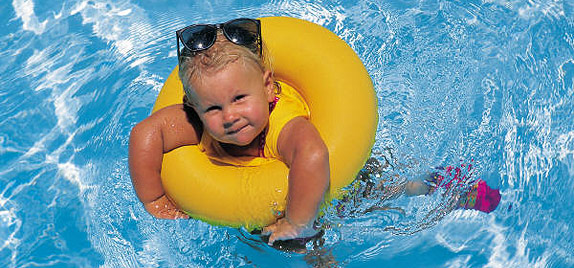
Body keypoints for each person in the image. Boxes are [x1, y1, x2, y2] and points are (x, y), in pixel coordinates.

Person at [128, 18, 329, 245]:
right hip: (242, 213)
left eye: (239, 98)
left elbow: (313, 155)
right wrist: (155, 199)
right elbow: (145, 133)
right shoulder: (197, 122)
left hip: (312, 204)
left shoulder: (285, 125)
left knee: (307, 245)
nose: (230, 116)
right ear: (194, 108)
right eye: (213, 108)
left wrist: (296, 223)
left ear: (267, 87)